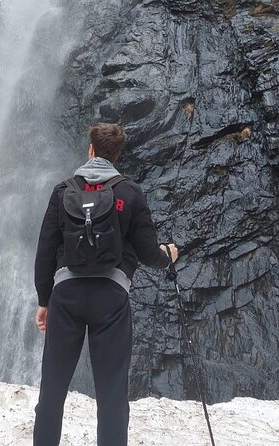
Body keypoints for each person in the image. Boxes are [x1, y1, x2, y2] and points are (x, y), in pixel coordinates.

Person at [32, 122, 178, 446]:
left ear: (91, 150)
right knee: (112, 395)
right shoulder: (129, 193)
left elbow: (44, 251)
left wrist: (45, 301)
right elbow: (148, 253)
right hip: (110, 300)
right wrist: (168, 255)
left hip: (66, 297)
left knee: (52, 391)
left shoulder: (63, 191)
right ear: (116, 155)